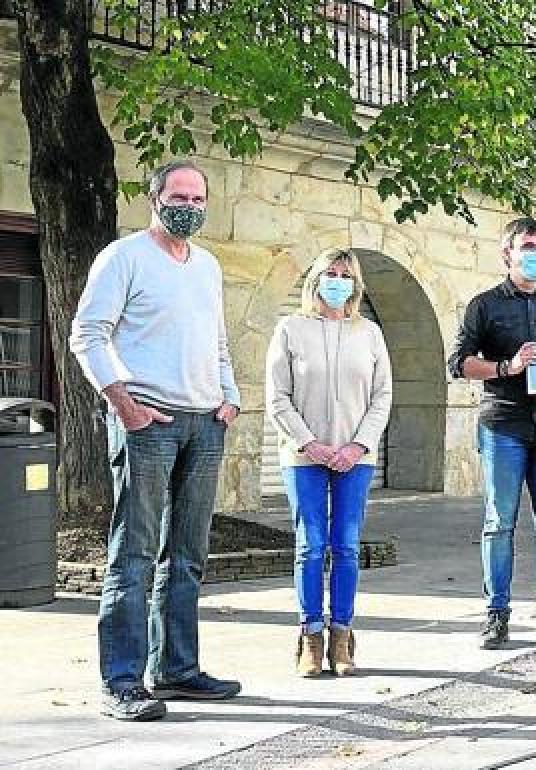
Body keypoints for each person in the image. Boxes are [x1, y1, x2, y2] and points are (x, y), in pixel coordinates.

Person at [70, 160, 242, 721]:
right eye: (178, 195)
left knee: (188, 555)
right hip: (149, 423)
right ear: (154, 198)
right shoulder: (123, 257)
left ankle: (176, 669)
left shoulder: (208, 266)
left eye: (197, 197)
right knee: (135, 552)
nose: (188, 205)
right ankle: (122, 680)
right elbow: (87, 333)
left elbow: (216, 340)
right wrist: (123, 402)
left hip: (203, 422)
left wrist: (229, 396)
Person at [447, 216, 536, 650]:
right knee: (499, 522)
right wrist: (508, 367)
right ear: (507, 253)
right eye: (528, 246)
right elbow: (459, 363)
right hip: (503, 425)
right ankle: (496, 615)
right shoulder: (485, 305)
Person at [266, 249, 392, 677]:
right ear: (315, 279)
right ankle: (310, 635)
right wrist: (309, 443)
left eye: (345, 275)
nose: (337, 281)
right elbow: (277, 396)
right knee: (310, 544)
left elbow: (382, 396)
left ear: (355, 285)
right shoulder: (290, 328)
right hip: (303, 457)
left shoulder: (369, 333)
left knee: (346, 544)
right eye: (330, 273)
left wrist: (358, 445)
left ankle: (342, 633)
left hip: (355, 458)